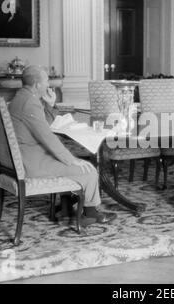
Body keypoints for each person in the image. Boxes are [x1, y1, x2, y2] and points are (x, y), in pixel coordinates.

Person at [8, 66, 116, 225]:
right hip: (31, 163)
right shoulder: (30, 103)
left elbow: (41, 125)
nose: (48, 85)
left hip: (27, 157)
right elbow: (47, 137)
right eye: (46, 81)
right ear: (37, 85)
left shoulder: (21, 97)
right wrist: (71, 159)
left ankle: (67, 210)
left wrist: (50, 105)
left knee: (75, 163)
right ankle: (91, 214)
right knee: (89, 169)